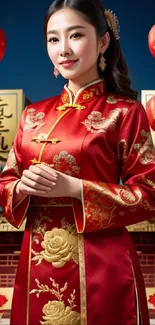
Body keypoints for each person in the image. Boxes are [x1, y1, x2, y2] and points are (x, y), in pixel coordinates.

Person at [0, 0, 155, 324]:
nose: (64, 49)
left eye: (75, 35)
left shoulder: (123, 112)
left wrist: (76, 188)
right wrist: (19, 188)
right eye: (53, 39)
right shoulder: (32, 116)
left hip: (102, 267)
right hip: (36, 267)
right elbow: (6, 183)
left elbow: (149, 193)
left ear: (102, 42)